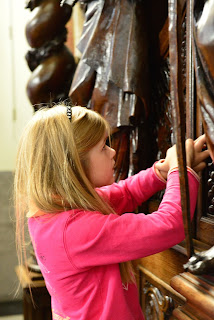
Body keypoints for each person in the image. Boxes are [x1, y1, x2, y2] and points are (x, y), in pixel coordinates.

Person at [14, 104, 209, 320]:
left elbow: (124, 192)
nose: (113, 151)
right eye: (103, 147)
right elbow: (169, 226)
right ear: (73, 164)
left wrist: (160, 173)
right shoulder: (75, 230)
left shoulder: (52, 212)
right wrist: (181, 173)